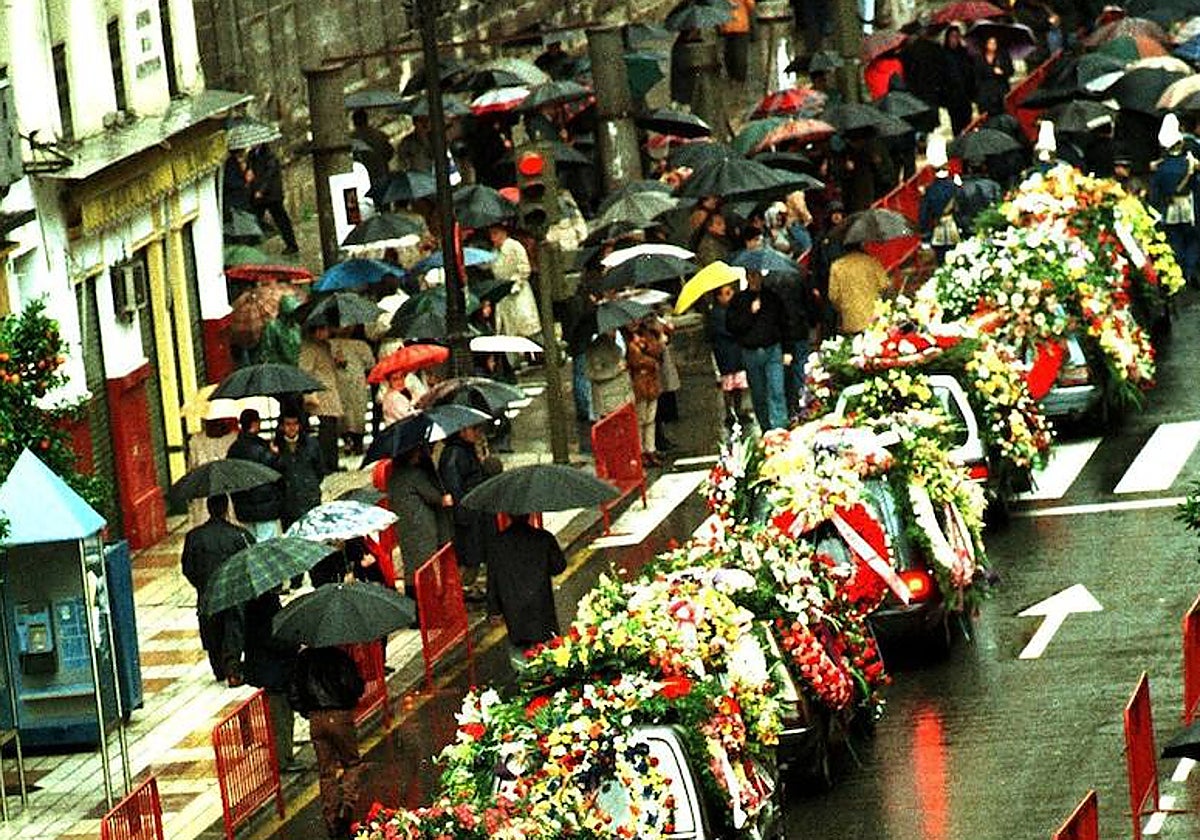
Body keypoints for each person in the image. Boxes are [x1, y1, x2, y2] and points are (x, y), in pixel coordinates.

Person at [289, 646, 366, 839]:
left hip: (316, 719)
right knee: (352, 764)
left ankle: (331, 821)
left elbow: (294, 692)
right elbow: (354, 686)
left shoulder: (303, 659)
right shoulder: (340, 657)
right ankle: (346, 807)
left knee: (326, 772)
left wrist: (307, 711)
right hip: (340, 716)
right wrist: (349, 703)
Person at [181, 495, 254, 684]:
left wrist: (201, 584)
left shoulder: (194, 537)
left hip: (207, 591)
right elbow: (251, 563)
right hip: (234, 591)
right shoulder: (240, 535)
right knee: (233, 626)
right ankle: (233, 668)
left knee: (211, 628)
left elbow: (187, 567)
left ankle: (218, 669)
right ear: (226, 509)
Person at [229, 590, 301, 773]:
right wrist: (294, 644)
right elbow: (272, 637)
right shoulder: (265, 604)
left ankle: (285, 756)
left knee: (282, 716)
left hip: (268, 669)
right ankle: (283, 760)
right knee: (280, 717)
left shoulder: (255, 602)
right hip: (273, 671)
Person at [487, 513, 567, 669]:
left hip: (514, 611)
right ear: (529, 515)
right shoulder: (543, 538)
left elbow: (493, 580)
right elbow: (559, 566)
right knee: (550, 656)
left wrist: (493, 610)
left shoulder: (497, 543)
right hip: (541, 607)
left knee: (520, 658)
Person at [726, 271, 790, 432]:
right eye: (751, 276)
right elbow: (733, 326)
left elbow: (783, 323)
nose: (754, 280)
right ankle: (766, 427)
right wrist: (750, 313)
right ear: (747, 278)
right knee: (759, 393)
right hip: (751, 352)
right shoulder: (739, 300)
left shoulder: (772, 298)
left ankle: (780, 426)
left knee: (777, 390)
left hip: (772, 349)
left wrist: (787, 350)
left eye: (757, 276)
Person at [438, 422, 493, 601]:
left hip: (475, 512)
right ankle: (459, 592)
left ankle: (465, 588)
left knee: (474, 558)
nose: (478, 433)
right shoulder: (454, 454)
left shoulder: (466, 450)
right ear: (462, 431)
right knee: (469, 558)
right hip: (467, 516)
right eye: (474, 429)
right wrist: (463, 516)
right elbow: (454, 487)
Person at [387, 445, 452, 593]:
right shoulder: (415, 475)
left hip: (404, 526)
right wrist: (443, 498)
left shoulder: (395, 476)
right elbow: (432, 496)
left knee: (410, 567)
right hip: (421, 528)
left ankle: (412, 601)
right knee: (424, 567)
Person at [1150, 113, 1200, 286]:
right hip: (1189, 206)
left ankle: (1178, 273)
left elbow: (1156, 191)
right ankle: (1190, 270)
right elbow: (1195, 186)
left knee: (1175, 239)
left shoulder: (1161, 167)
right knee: (1192, 239)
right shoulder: (1189, 164)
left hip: (1170, 207)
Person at [227, 408, 284, 542]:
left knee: (251, 546)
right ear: (255, 423)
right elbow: (277, 470)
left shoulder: (233, 449)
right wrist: (276, 454)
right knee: (269, 546)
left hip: (243, 508)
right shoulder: (262, 449)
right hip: (266, 507)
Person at [489, 225, 541, 364]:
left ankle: (536, 354)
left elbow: (524, 268)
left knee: (525, 324)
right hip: (503, 293)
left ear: (503, 233)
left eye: (495, 234)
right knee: (508, 327)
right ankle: (515, 359)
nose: (492, 238)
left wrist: (516, 284)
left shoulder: (514, 246)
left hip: (518, 291)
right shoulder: (494, 252)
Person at [299, 324, 346, 473]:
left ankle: (332, 462)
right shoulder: (309, 348)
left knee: (331, 429)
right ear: (318, 331)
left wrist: (339, 362)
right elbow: (305, 370)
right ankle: (326, 464)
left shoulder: (325, 346)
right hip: (320, 394)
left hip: (330, 391)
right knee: (327, 430)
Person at [706, 283, 750, 429]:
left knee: (739, 383)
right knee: (728, 384)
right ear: (719, 296)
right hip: (725, 353)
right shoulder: (716, 314)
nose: (731, 295)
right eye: (727, 292)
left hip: (736, 352)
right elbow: (723, 331)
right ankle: (729, 412)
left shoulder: (732, 309)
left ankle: (738, 409)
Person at [275, 409, 326, 533]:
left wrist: (310, 485)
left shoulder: (311, 444)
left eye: (295, 424)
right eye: (288, 424)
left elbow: (320, 469)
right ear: (282, 426)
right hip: (288, 502)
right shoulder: (276, 448)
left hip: (309, 497)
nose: (292, 428)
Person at [247, 143, 299, 254]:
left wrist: (261, 190)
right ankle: (250, 246)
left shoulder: (270, 155)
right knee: (253, 219)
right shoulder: (251, 155)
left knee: (281, 221)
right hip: (257, 194)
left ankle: (292, 245)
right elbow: (251, 171)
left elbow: (269, 175)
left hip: (271, 195)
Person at [918, 135, 962, 265]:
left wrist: (925, 238)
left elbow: (924, 215)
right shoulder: (955, 186)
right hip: (956, 229)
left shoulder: (930, 190)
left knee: (942, 264)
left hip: (938, 232)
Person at [330, 331, 375, 457]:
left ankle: (355, 442)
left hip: (356, 382)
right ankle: (350, 440)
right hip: (341, 382)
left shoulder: (361, 345)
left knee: (357, 412)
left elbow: (370, 363)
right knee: (346, 412)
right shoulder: (329, 345)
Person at [625, 321, 664, 466]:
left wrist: (646, 345)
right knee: (640, 420)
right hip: (639, 385)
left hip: (651, 383)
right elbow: (634, 362)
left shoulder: (646, 334)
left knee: (650, 419)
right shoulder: (626, 341)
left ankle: (650, 448)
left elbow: (658, 350)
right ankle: (640, 450)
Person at [828, 245, 890, 335]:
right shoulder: (870, 261)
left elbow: (833, 295)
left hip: (851, 318)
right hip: (873, 315)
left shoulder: (837, 266)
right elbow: (884, 284)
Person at [586, 330, 635, 418]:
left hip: (619, 397)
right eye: (613, 329)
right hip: (608, 400)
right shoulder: (596, 349)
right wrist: (617, 369)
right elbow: (593, 374)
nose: (615, 331)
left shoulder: (612, 344)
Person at [942, 25, 976, 136]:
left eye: (957, 37)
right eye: (952, 37)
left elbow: (971, 71)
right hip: (952, 98)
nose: (954, 40)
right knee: (956, 127)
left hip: (965, 96)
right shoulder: (943, 54)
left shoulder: (964, 53)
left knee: (968, 126)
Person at [350, 108, 393, 193]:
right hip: (381, 174)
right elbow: (390, 153)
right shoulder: (379, 135)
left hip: (361, 178)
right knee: (383, 201)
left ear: (354, 122)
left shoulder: (351, 139)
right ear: (366, 120)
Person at [972, 35, 1013, 118]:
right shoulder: (979, 58)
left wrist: (1002, 72)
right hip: (986, 95)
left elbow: (1010, 71)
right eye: (990, 43)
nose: (993, 45)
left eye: (994, 43)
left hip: (1000, 93)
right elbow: (977, 76)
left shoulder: (1002, 56)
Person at [720, 0, 756, 84]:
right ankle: (738, 77)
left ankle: (735, 77)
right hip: (737, 26)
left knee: (732, 54)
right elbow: (751, 5)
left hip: (732, 27)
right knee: (737, 54)